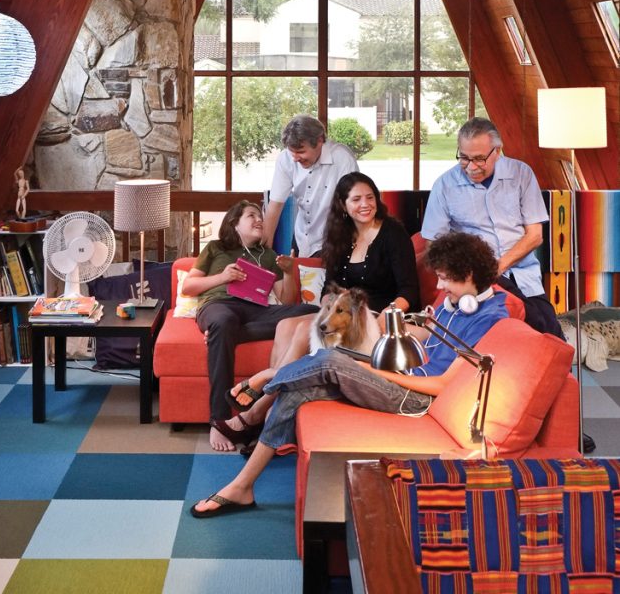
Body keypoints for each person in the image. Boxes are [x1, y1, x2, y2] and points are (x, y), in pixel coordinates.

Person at [190, 232, 508, 517]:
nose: (439, 287)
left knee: (330, 358)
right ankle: (242, 487)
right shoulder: (459, 303)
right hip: (400, 374)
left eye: (444, 279)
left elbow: (440, 384)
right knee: (298, 390)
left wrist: (374, 370)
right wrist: (388, 326)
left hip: (416, 398)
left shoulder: (489, 318)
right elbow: (430, 337)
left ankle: (265, 381)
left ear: (468, 275)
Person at [225, 172, 420, 419]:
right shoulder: (340, 234)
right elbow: (329, 287)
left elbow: (409, 290)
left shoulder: (393, 233)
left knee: (300, 332)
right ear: (343, 204)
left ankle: (258, 411)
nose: (365, 204)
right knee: (286, 325)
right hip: (340, 311)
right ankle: (270, 411)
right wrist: (328, 304)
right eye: (356, 199)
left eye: (370, 197)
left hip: (376, 313)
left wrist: (388, 317)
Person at [181, 200, 316, 451]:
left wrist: (288, 271)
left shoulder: (268, 255)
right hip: (218, 306)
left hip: (256, 310)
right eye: (251, 215)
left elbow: (286, 300)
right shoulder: (215, 248)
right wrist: (224, 277)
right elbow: (188, 287)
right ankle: (218, 419)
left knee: (312, 312)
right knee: (224, 321)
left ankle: (223, 335)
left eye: (260, 216)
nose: (259, 220)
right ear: (234, 223)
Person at [420, 116, 563, 339]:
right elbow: (434, 245)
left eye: (479, 159)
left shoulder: (521, 174)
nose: (471, 167)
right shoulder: (444, 185)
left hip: (524, 278)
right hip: (475, 283)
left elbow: (535, 236)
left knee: (551, 338)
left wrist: (498, 267)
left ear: (497, 150)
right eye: (464, 158)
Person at [262, 115, 358, 256]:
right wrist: (264, 255)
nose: (295, 158)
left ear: (320, 141)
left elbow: (354, 206)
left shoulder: (342, 159)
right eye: (292, 152)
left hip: (334, 238)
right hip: (302, 236)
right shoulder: (286, 159)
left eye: (301, 152)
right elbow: (275, 206)